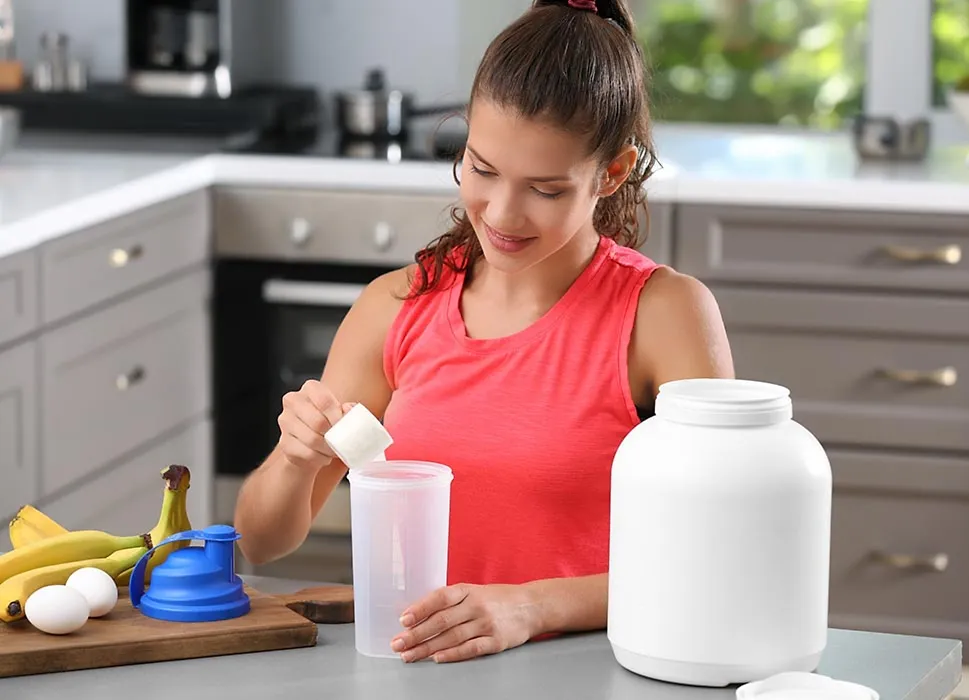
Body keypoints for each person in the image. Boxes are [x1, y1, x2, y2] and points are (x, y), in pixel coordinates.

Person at [234, 0, 733, 665]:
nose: (501, 213)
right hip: (422, 671)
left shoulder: (663, 315)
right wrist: (296, 459)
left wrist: (528, 605)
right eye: (483, 168)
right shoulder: (396, 306)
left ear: (611, 173)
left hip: (597, 673)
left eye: (546, 189)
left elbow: (717, 556)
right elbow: (262, 544)